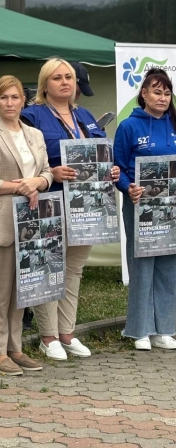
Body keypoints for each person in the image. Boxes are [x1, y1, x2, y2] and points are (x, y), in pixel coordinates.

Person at [21, 58, 120, 361]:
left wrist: (110, 171)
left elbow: (98, 153)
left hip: (87, 206)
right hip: (49, 200)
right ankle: (47, 336)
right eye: (57, 78)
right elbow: (22, 158)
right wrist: (50, 171)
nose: (65, 82)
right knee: (48, 266)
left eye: (70, 77)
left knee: (73, 270)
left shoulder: (86, 115)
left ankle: (67, 333)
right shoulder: (31, 115)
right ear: (44, 84)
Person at [0, 75, 53, 376]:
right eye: (4, 98)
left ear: (24, 101)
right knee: (1, 289)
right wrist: (17, 187)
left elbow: (46, 173)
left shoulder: (35, 135)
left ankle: (16, 348)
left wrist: (36, 182)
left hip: (31, 219)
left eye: (15, 97)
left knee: (24, 289)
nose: (10, 103)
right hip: (2, 219)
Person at [114, 68, 176, 351]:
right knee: (142, 264)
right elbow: (117, 169)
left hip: (170, 206)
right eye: (156, 92)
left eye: (166, 93)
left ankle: (164, 328)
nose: (162, 98)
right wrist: (128, 187)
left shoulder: (174, 123)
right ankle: (139, 329)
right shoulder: (129, 126)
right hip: (139, 204)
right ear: (144, 94)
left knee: (168, 265)